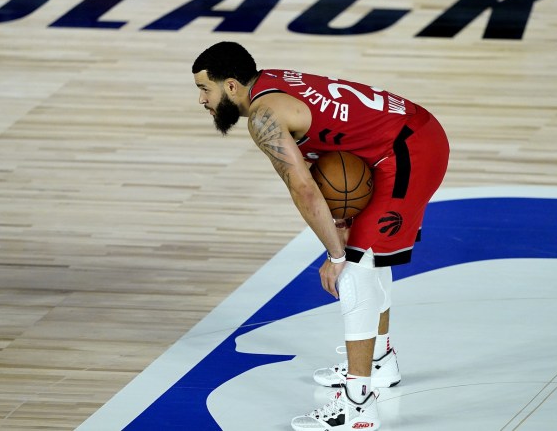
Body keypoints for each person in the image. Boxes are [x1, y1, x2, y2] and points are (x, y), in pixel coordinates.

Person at [192, 41, 449, 431]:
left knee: (354, 270)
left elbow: (304, 188)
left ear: (230, 86)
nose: (200, 100)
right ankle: (379, 360)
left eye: (203, 89)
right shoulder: (269, 84)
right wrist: (342, 224)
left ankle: (357, 404)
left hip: (408, 149)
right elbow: (336, 146)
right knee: (367, 257)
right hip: (401, 137)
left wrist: (335, 254)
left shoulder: (263, 117)